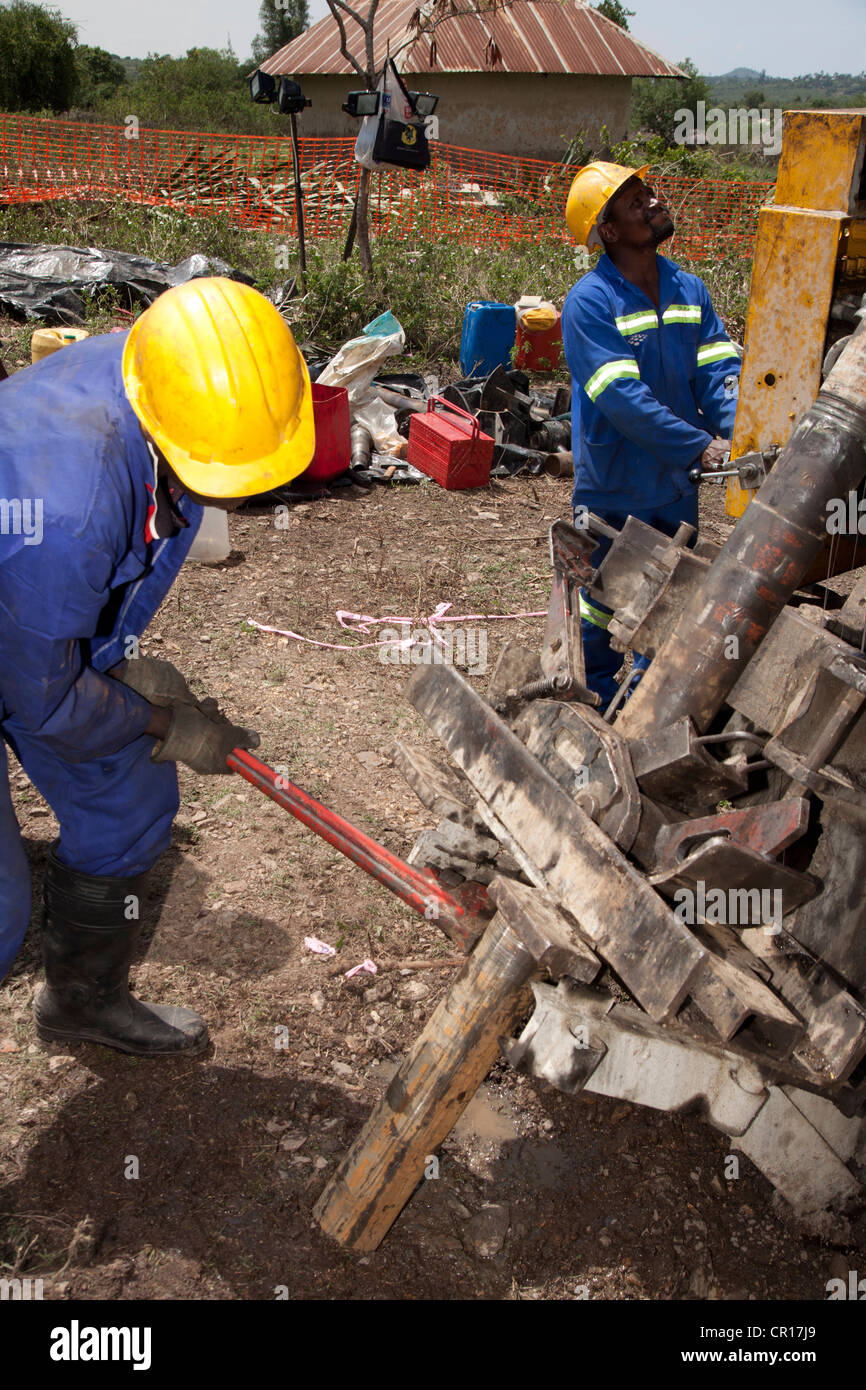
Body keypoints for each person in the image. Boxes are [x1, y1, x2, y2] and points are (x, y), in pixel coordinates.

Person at [0, 277, 315, 1055]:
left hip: (30, 624)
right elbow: (40, 702)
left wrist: (112, 677)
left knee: (129, 799)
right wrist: (160, 720)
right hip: (27, 627)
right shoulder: (68, 507)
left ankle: (80, 1001)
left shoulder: (164, 371)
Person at [561, 161, 742, 709]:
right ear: (609, 231)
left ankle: (643, 715)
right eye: (636, 201)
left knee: (669, 601)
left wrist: (744, 435)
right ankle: (591, 709)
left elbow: (719, 374)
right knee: (601, 604)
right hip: (616, 484)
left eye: (648, 193)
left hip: (676, 485)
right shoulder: (590, 303)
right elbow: (623, 401)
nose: (653, 202)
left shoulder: (690, 289)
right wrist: (702, 446)